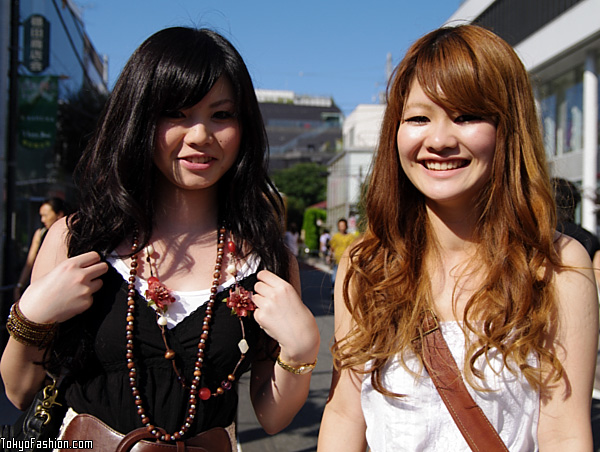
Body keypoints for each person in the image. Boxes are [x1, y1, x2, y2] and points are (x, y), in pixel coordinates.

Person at [1, 27, 320, 451]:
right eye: (177, 113)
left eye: (221, 115)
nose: (200, 135)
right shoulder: (74, 240)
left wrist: (301, 352)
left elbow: (272, 416)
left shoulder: (267, 261)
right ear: (139, 119)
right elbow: (20, 391)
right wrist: (31, 316)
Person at [318, 24, 598, 451]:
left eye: (466, 116)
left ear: (509, 128)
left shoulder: (555, 266)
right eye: (418, 118)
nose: (440, 140)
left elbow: (565, 434)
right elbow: (344, 414)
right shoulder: (366, 265)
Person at [13, 197, 67, 301]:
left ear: (59, 214)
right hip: (41, 288)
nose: (43, 220)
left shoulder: (69, 235)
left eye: (46, 215)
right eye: (41, 215)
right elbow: (29, 262)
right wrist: (20, 285)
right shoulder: (40, 234)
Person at [328, 218, 357, 290]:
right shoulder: (335, 236)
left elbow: (353, 248)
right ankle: (333, 290)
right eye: (340, 226)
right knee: (335, 276)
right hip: (337, 259)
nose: (342, 227)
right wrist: (330, 256)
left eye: (343, 225)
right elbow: (332, 247)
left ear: (346, 226)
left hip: (347, 260)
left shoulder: (350, 237)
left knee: (345, 278)